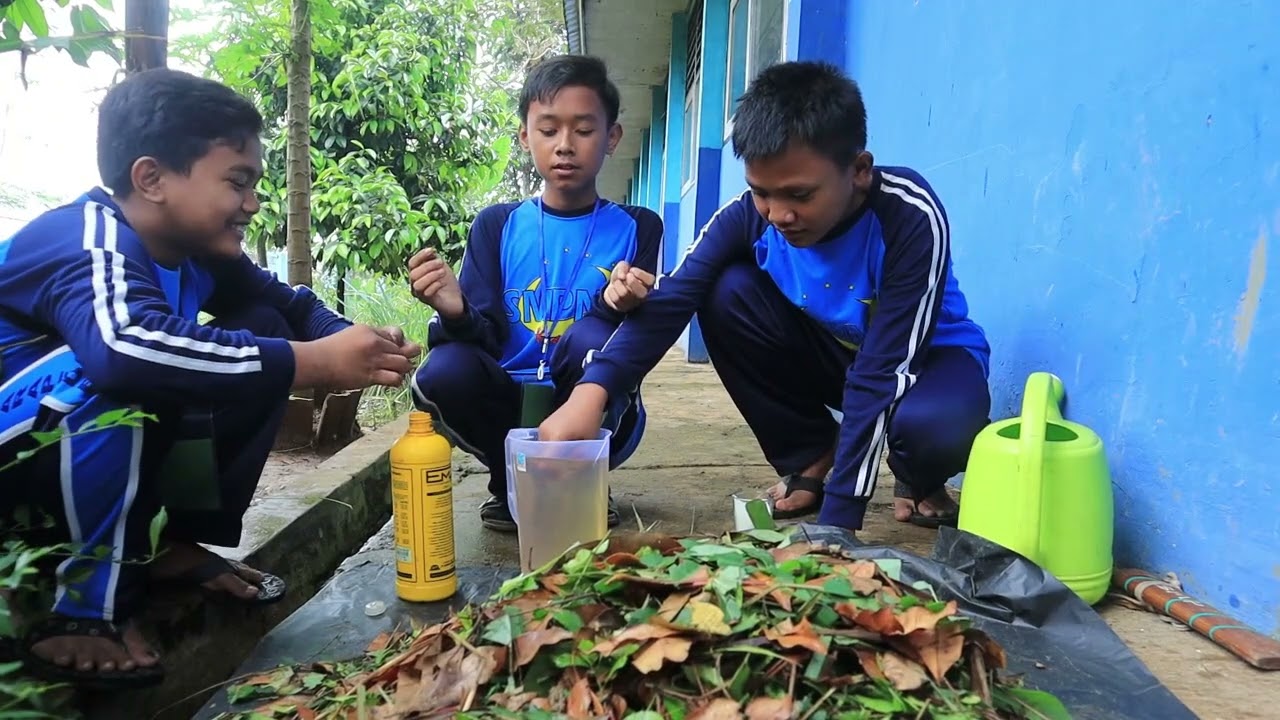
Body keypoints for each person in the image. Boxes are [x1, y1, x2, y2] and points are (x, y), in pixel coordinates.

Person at [0, 68, 420, 688]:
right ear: (152, 178)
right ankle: (84, 606)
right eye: (237, 182)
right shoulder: (88, 238)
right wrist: (312, 362)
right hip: (21, 453)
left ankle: (171, 547)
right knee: (126, 372)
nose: (251, 203)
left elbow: (294, 307)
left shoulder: (199, 254)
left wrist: (357, 341)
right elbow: (122, 349)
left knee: (262, 322)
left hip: (75, 451)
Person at [539, 61, 992, 533]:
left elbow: (884, 371)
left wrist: (836, 525)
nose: (778, 214)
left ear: (858, 171)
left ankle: (919, 476)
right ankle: (813, 453)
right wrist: (589, 395)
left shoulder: (910, 214)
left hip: (926, 362)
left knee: (931, 432)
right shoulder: (746, 216)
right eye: (761, 192)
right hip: (837, 355)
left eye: (799, 194)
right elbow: (672, 299)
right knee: (723, 290)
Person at [408, 54, 662, 533]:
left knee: (590, 341)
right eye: (548, 130)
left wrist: (617, 302)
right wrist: (456, 310)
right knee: (442, 370)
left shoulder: (639, 227)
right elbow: (479, 334)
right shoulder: (497, 225)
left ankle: (580, 477)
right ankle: (509, 482)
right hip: (505, 399)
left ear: (611, 138)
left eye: (584, 130)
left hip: (592, 398)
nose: (565, 145)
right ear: (525, 137)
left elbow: (634, 334)